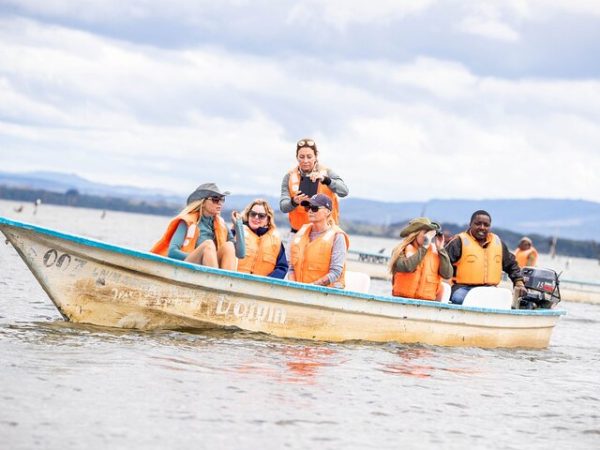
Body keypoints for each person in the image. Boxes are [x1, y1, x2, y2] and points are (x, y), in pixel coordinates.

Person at [150, 183, 244, 270]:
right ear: (202, 202)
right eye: (215, 199)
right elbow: (172, 252)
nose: (220, 203)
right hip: (188, 267)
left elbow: (241, 254)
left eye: (222, 199)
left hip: (210, 269)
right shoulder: (187, 222)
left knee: (229, 245)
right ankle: (215, 282)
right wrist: (201, 256)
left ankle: (224, 285)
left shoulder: (221, 225)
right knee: (208, 245)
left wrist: (238, 226)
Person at [445, 210, 526, 305]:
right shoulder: (458, 241)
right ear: (470, 224)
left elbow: (511, 264)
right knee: (461, 299)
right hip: (462, 288)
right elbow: (442, 262)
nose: (482, 227)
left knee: (505, 302)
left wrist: (519, 282)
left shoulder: (498, 243)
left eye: (486, 225)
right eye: (478, 224)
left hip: (489, 289)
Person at [280, 138, 349, 233]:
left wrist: (326, 180)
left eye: (309, 156)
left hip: (326, 233)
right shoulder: (289, 176)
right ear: (297, 157)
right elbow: (283, 207)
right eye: (301, 156)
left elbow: (344, 191)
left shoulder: (327, 172)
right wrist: (294, 201)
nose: (305, 160)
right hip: (298, 232)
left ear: (316, 156)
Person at [288, 193, 349, 288]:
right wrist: (293, 286)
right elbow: (291, 268)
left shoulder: (337, 236)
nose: (310, 211)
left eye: (315, 208)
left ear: (328, 212)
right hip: (298, 291)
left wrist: (311, 287)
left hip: (324, 295)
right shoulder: (301, 232)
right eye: (308, 208)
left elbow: (336, 272)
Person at [389, 217, 453, 301]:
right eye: (425, 232)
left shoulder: (436, 251)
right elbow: (406, 267)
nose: (428, 236)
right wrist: (424, 247)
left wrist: (441, 249)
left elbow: (447, 274)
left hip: (427, 302)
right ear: (415, 233)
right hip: (402, 300)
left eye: (430, 233)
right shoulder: (401, 250)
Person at [233, 199, 288, 279]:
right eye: (253, 214)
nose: (256, 217)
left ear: (268, 220)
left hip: (261, 288)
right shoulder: (236, 232)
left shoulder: (276, 241)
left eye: (261, 216)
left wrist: (266, 282)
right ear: (248, 215)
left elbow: (282, 268)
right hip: (235, 283)